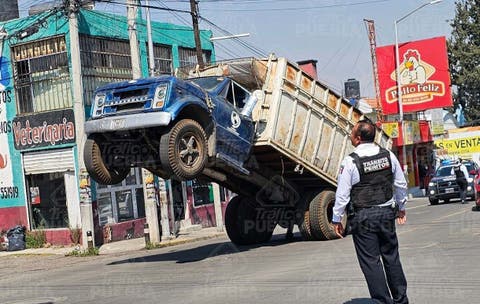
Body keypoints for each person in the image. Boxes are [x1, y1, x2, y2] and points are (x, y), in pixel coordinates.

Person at [332, 119, 409, 304]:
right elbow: (400, 184)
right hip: (386, 215)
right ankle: (401, 300)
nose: (350, 134)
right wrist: (402, 207)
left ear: (358, 138)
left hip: (363, 217)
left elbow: (342, 194)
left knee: (371, 262)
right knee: (391, 257)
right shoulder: (388, 155)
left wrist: (336, 219)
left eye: (352, 132)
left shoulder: (350, 161)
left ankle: (382, 301)